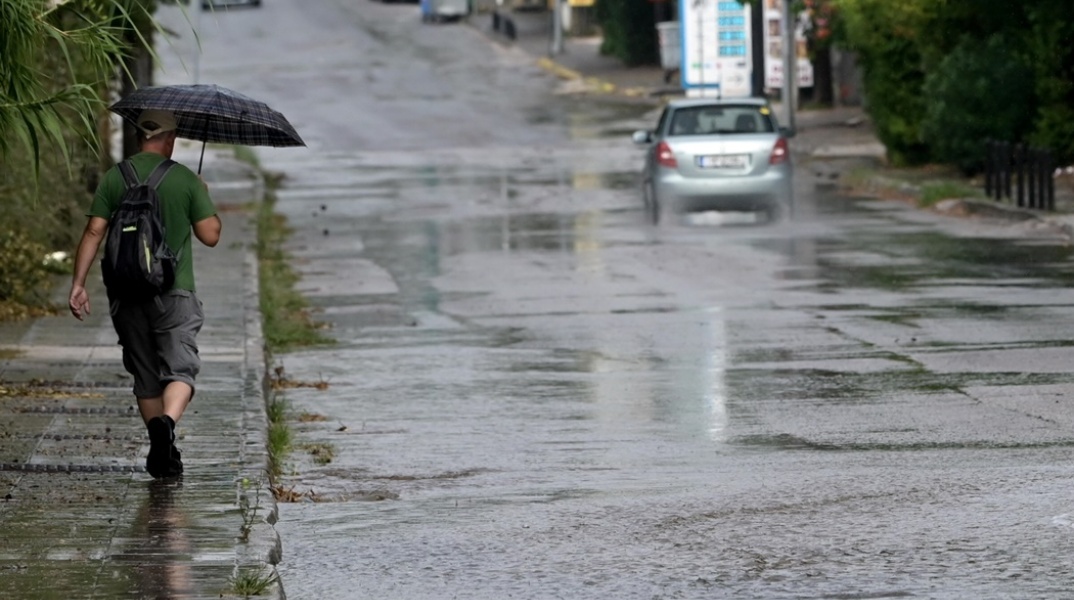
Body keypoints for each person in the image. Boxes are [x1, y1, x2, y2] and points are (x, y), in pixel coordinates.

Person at [68, 109, 221, 479]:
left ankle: (163, 450)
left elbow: (94, 232)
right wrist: (202, 194)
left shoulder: (115, 177)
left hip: (126, 295)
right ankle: (166, 424)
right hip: (174, 293)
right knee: (180, 368)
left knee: (145, 375)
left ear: (139, 137)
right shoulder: (184, 179)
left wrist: (78, 284)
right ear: (170, 139)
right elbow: (211, 236)